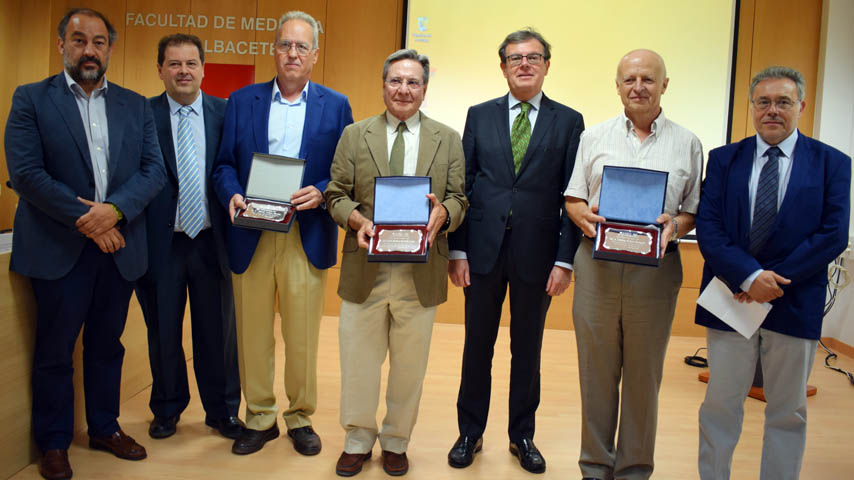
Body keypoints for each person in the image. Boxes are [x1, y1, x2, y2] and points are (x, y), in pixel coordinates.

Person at [4, 8, 166, 480]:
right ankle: (54, 442)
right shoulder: (32, 99)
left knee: (106, 346)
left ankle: (104, 427)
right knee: (55, 351)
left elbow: (152, 171)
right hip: (58, 251)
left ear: (110, 49)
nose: (89, 50)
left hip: (118, 250)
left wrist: (112, 212)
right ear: (62, 46)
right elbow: (27, 175)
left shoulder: (135, 105)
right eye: (79, 40)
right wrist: (91, 219)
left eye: (98, 42)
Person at [695, 66, 850, 480]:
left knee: (788, 410)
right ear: (752, 108)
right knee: (720, 405)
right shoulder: (724, 159)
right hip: (731, 300)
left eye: (783, 102)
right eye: (763, 102)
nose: (772, 110)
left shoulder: (833, 163)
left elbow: (833, 234)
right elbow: (709, 228)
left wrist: (771, 281)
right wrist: (748, 278)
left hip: (794, 302)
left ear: (801, 106)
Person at [212, 10, 353, 456]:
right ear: (273, 51)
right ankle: (259, 416)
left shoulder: (336, 104)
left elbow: (346, 171)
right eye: (284, 45)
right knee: (252, 331)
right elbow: (223, 166)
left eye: (301, 46)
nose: (292, 54)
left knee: (301, 333)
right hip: (250, 230)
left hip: (305, 232)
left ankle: (300, 417)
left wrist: (325, 190)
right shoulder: (241, 100)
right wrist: (232, 193)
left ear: (315, 54)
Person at [446, 28, 584, 474]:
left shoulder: (568, 121)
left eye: (533, 57)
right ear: (503, 66)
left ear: (546, 64)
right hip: (482, 252)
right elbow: (463, 188)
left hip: (538, 256)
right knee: (476, 347)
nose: (524, 64)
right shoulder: (480, 115)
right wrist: (457, 250)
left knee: (528, 350)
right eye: (515, 58)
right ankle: (470, 431)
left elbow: (572, 196)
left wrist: (565, 260)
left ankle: (522, 435)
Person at [325, 48, 466, 477]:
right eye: (395, 81)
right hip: (365, 265)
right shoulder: (355, 134)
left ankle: (397, 441)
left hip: (419, 273)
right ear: (383, 84)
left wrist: (444, 212)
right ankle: (357, 439)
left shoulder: (448, 138)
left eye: (413, 82)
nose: (403, 89)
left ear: (424, 89)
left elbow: (460, 197)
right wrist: (355, 219)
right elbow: (335, 192)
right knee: (358, 363)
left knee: (409, 368)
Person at [564, 49, 703, 480]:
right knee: (596, 375)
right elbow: (574, 197)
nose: (637, 87)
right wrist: (582, 215)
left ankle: (634, 470)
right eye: (629, 79)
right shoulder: (594, 137)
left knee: (644, 379)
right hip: (597, 268)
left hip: (655, 275)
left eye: (647, 79)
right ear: (618, 85)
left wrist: (674, 226)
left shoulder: (688, 143)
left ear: (665, 84)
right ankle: (594, 466)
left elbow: (694, 210)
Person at [134, 33, 243, 441]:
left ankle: (223, 412)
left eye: (191, 63)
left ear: (203, 69)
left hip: (212, 242)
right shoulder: (141, 114)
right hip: (161, 243)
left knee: (218, 334)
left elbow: (235, 167)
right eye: (174, 64)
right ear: (160, 69)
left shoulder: (225, 112)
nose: (183, 71)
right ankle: (166, 408)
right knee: (162, 332)